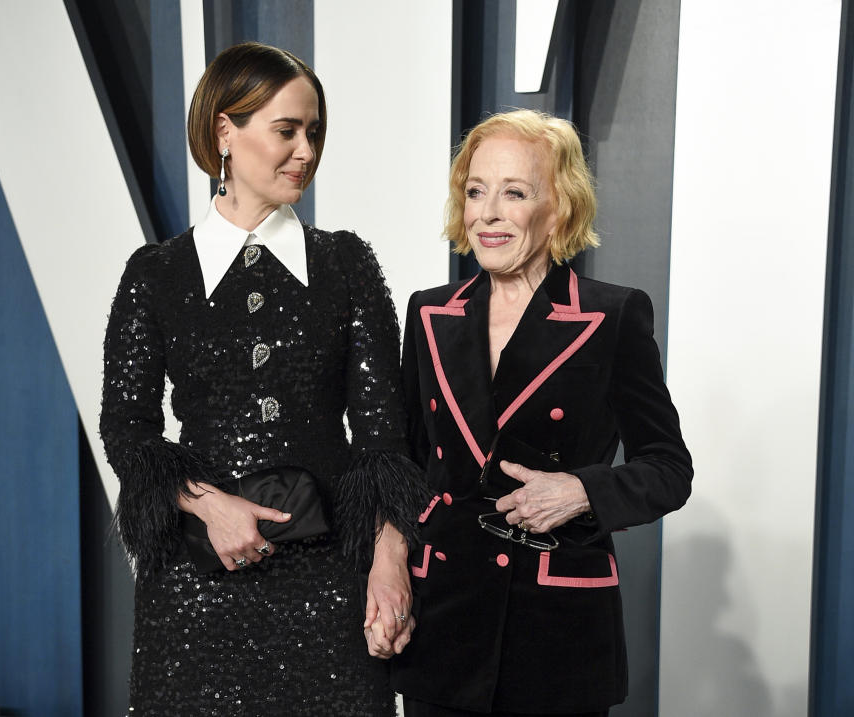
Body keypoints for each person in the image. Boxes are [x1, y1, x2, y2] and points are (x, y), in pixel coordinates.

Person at [99, 42, 424, 716]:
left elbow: (384, 441)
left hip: (330, 584)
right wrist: (207, 503)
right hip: (193, 593)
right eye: (286, 131)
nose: (306, 150)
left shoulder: (346, 265)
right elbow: (126, 429)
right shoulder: (155, 274)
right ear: (225, 130)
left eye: (315, 132)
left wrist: (389, 564)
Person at [390, 109, 693, 716]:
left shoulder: (613, 316)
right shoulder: (428, 314)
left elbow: (668, 468)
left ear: (559, 207)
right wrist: (390, 572)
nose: (488, 213)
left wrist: (582, 490)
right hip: (443, 625)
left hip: (558, 633)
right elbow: (404, 463)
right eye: (475, 192)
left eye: (515, 193)